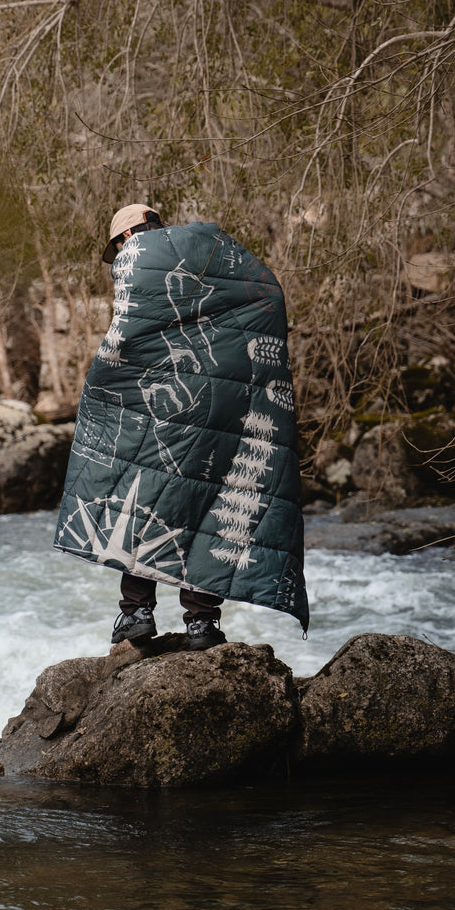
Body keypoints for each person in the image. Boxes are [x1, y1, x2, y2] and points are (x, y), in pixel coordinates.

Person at [53, 203, 308, 651]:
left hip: (165, 401)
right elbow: (269, 294)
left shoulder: (137, 255)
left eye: (116, 247)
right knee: (209, 498)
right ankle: (202, 623)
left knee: (142, 490)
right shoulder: (211, 247)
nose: (119, 256)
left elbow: (129, 337)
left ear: (125, 235)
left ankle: (136, 613)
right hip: (222, 402)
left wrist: (102, 380)